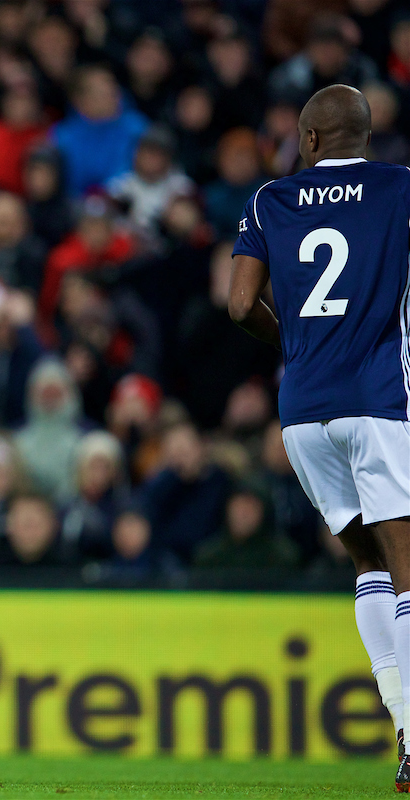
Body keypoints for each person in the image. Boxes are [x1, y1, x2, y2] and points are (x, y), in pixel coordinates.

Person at [229, 84, 410, 789]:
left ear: (307, 140)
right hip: (379, 399)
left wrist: (295, 346)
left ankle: (400, 718)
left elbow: (240, 302)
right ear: (364, 136)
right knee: (405, 565)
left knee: (366, 563)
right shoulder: (399, 188)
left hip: (303, 408)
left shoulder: (270, 201)